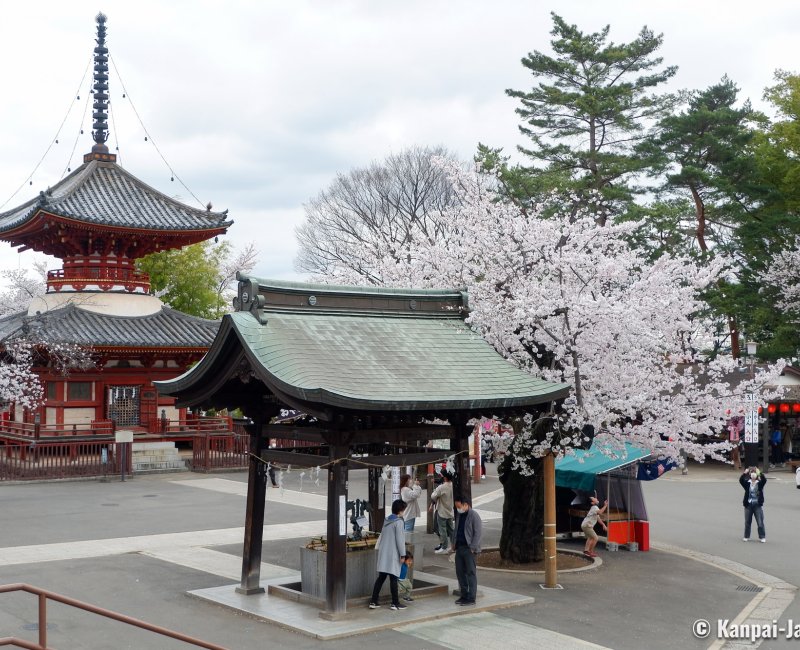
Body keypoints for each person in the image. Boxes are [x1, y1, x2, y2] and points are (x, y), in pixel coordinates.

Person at [369, 499, 408, 610]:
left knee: (381, 578)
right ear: (400, 510)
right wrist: (403, 555)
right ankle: (395, 603)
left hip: (384, 553)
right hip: (393, 554)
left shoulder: (387, 520)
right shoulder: (399, 522)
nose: (404, 511)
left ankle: (373, 601)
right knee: (393, 578)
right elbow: (400, 540)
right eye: (403, 509)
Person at [452, 496, 482, 606]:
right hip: (459, 547)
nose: (458, 508)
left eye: (459, 506)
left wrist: (473, 548)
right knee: (460, 572)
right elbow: (457, 529)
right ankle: (464, 595)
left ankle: (471, 597)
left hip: (469, 549)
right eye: (456, 507)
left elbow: (478, 533)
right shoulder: (459, 515)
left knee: (470, 573)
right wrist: (454, 542)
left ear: (466, 505)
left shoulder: (474, 515)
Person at [740, 466, 767, 542]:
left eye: (754, 473)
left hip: (757, 505)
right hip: (748, 505)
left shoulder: (760, 483)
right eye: (752, 473)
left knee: (760, 522)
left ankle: (762, 536)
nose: (753, 474)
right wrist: (744, 473)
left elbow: (764, 480)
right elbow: (741, 480)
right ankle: (746, 536)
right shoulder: (747, 483)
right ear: (750, 474)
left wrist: (760, 473)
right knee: (747, 522)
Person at [430, 471, 454, 554]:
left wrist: (435, 490)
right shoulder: (453, 485)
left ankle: (444, 547)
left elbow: (433, 496)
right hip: (450, 510)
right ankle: (454, 546)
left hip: (442, 511)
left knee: (442, 530)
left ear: (445, 477)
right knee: (451, 530)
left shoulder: (442, 487)